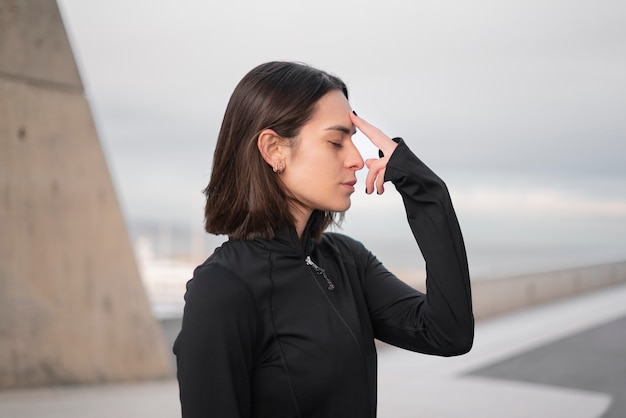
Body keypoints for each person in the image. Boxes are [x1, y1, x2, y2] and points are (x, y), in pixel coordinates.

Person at [173, 61, 474, 417]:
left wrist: (425, 192)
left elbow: (448, 332)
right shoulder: (223, 290)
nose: (357, 160)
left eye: (353, 139)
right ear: (273, 150)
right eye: (336, 141)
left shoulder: (347, 261)